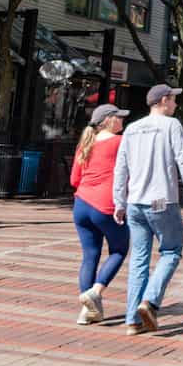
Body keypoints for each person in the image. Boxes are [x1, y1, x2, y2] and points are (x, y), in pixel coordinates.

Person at [113, 84, 183, 336]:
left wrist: (119, 202)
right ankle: (150, 301)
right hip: (161, 200)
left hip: (135, 202)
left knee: (139, 260)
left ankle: (132, 319)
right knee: (172, 251)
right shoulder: (171, 125)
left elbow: (121, 169)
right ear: (164, 100)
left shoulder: (131, 129)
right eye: (173, 99)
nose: (175, 104)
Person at [70, 104, 131, 326]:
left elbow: (73, 180)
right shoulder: (120, 142)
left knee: (90, 255)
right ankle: (95, 292)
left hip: (81, 205)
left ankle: (86, 312)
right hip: (106, 205)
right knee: (119, 249)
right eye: (119, 117)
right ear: (108, 120)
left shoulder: (85, 143)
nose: (122, 121)